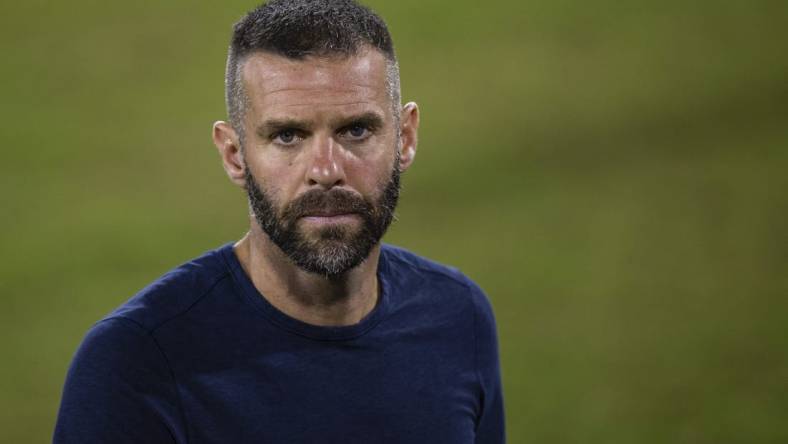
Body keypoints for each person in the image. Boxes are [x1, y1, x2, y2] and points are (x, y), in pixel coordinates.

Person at [53, 0, 505, 442]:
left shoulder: (459, 317)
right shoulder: (137, 364)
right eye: (288, 135)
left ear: (405, 138)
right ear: (234, 155)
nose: (326, 170)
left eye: (356, 130)